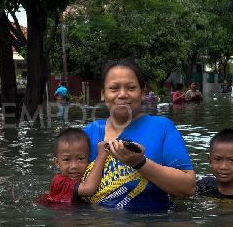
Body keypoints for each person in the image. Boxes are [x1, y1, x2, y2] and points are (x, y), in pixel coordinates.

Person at [83, 59, 195, 210]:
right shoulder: (89, 133)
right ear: (103, 94)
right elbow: (69, 183)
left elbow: (188, 187)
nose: (122, 94)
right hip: (98, 226)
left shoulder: (162, 127)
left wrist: (140, 163)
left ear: (142, 92)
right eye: (114, 88)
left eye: (131, 88)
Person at [42, 128, 108, 204]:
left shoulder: (85, 177)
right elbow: (88, 189)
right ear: (57, 162)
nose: (74, 166)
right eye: (66, 159)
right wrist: (101, 156)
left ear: (88, 159)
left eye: (80, 159)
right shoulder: (59, 182)